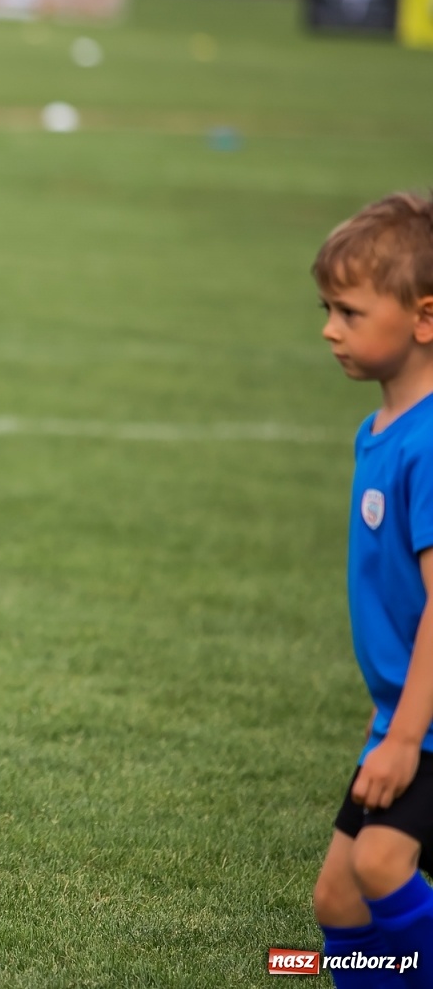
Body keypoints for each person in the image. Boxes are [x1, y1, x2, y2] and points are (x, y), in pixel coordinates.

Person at [311, 192, 433, 988]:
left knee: (384, 866)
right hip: (401, 714)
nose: (330, 329)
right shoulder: (380, 428)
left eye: (350, 312)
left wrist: (401, 738)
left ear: (425, 317)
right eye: (327, 308)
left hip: (422, 726)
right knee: (337, 902)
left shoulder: (428, 445)